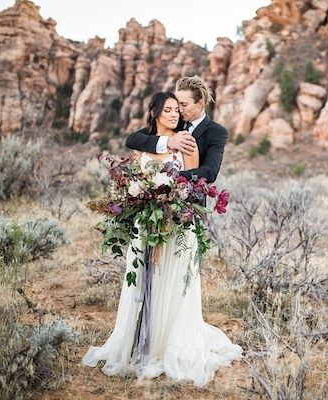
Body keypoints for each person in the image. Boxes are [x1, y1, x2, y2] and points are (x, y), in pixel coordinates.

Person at [82, 91, 242, 386]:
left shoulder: (193, 141)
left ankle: (168, 346)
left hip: (178, 225)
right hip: (145, 226)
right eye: (168, 109)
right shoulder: (146, 142)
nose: (175, 113)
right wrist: (144, 196)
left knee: (174, 286)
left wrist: (172, 198)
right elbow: (133, 149)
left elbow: (200, 178)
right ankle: (139, 343)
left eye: (178, 108)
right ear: (155, 112)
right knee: (144, 283)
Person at [125, 75, 227, 184]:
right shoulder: (173, 121)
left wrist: (165, 179)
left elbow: (210, 173)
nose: (179, 111)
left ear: (200, 104)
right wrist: (168, 142)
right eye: (177, 106)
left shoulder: (216, 132)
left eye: (183, 105)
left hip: (187, 196)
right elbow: (133, 140)